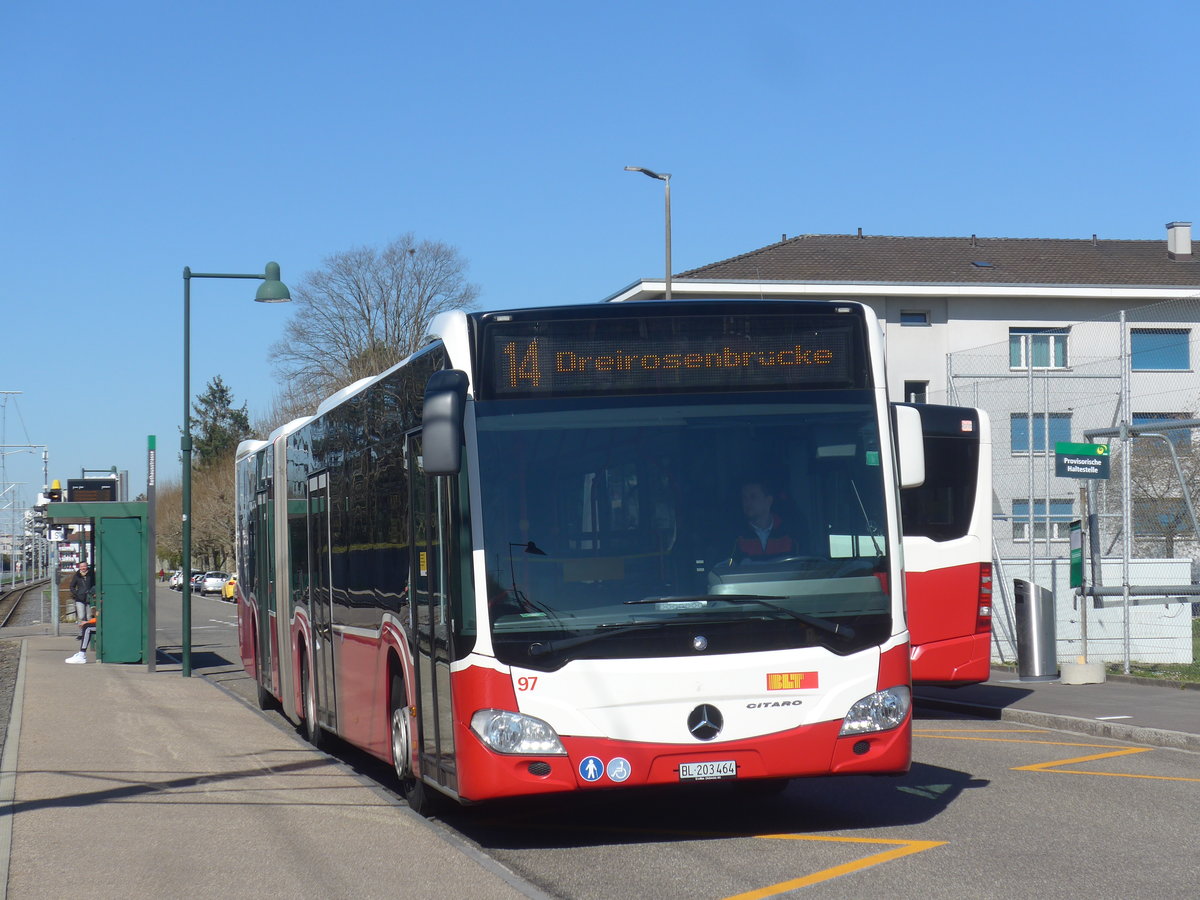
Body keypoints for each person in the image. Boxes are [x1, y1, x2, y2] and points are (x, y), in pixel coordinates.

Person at [732, 481, 798, 562]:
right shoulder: (736, 536)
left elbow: (803, 567)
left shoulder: (789, 532)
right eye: (744, 498)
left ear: (768, 501)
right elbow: (726, 567)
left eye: (753, 497)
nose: (747, 502)